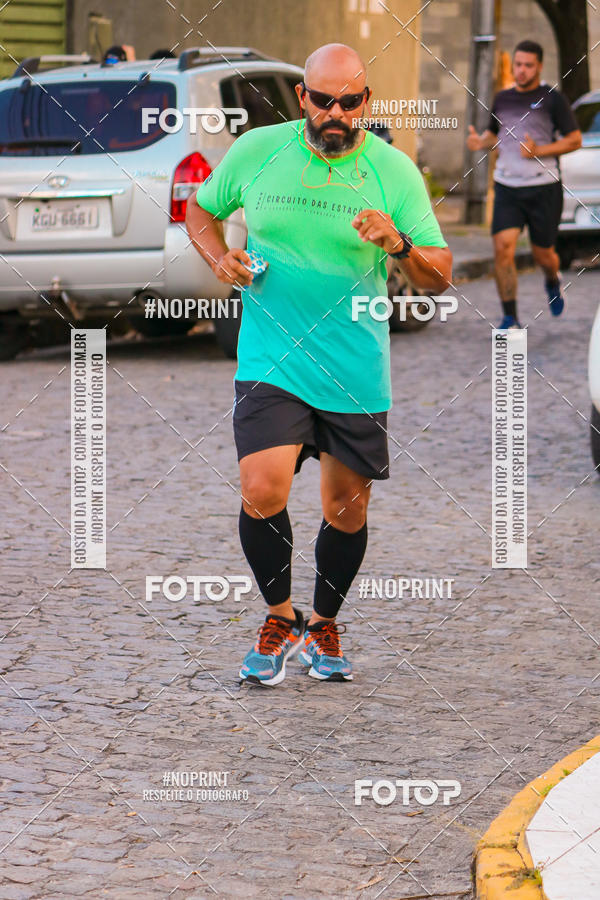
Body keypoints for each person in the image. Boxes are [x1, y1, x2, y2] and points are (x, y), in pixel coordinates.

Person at [186, 43, 451, 686]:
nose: (335, 113)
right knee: (261, 488)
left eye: (350, 102)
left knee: (345, 509)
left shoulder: (393, 170)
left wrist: (400, 242)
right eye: (323, 100)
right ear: (302, 98)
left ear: (366, 103)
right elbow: (200, 210)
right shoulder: (258, 152)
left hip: (353, 364)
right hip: (271, 356)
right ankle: (280, 616)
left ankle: (324, 622)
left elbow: (439, 276)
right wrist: (219, 257)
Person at [467, 40, 581, 330]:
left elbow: (574, 139)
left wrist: (539, 152)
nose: (521, 70)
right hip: (507, 186)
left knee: (543, 254)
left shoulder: (553, 99)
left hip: (544, 186)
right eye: (518, 64)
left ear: (539, 67)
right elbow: (496, 136)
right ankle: (510, 317)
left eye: (528, 65)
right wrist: (481, 142)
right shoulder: (502, 99)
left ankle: (553, 280)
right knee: (502, 247)